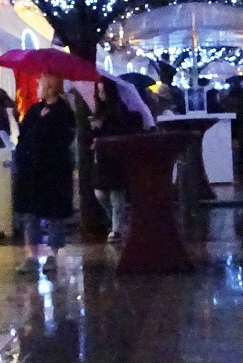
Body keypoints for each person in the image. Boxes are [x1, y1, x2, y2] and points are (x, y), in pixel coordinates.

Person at [14, 74, 76, 274]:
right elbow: (24, 137)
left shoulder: (63, 112)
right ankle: (31, 256)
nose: (37, 86)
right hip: (32, 172)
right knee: (30, 214)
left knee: (54, 215)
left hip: (54, 172)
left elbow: (62, 139)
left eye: (40, 84)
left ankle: (52, 255)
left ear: (49, 88)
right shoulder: (34, 110)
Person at [90, 80, 145, 242]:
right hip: (102, 157)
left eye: (103, 92)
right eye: (99, 92)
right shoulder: (99, 111)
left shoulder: (120, 110)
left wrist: (102, 127)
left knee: (116, 194)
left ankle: (116, 228)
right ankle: (117, 222)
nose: (101, 96)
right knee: (100, 193)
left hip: (115, 156)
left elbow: (120, 129)